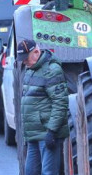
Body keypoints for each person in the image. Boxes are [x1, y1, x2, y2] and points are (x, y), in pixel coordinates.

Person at [17, 39, 69, 175]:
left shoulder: (52, 70)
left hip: (46, 134)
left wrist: (51, 132)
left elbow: (60, 103)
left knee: (48, 172)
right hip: (33, 135)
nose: (24, 62)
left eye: (25, 58)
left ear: (36, 52)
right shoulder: (31, 70)